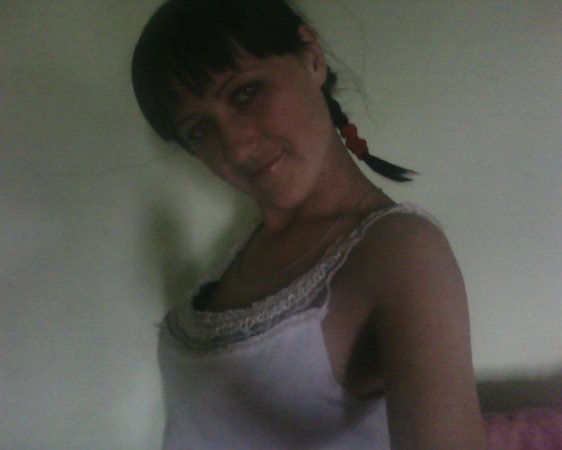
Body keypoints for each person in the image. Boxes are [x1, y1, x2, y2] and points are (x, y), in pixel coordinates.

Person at [131, 1, 486, 448]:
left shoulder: (400, 253)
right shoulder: (242, 249)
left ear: (312, 58)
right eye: (200, 129)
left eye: (246, 92)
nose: (235, 147)